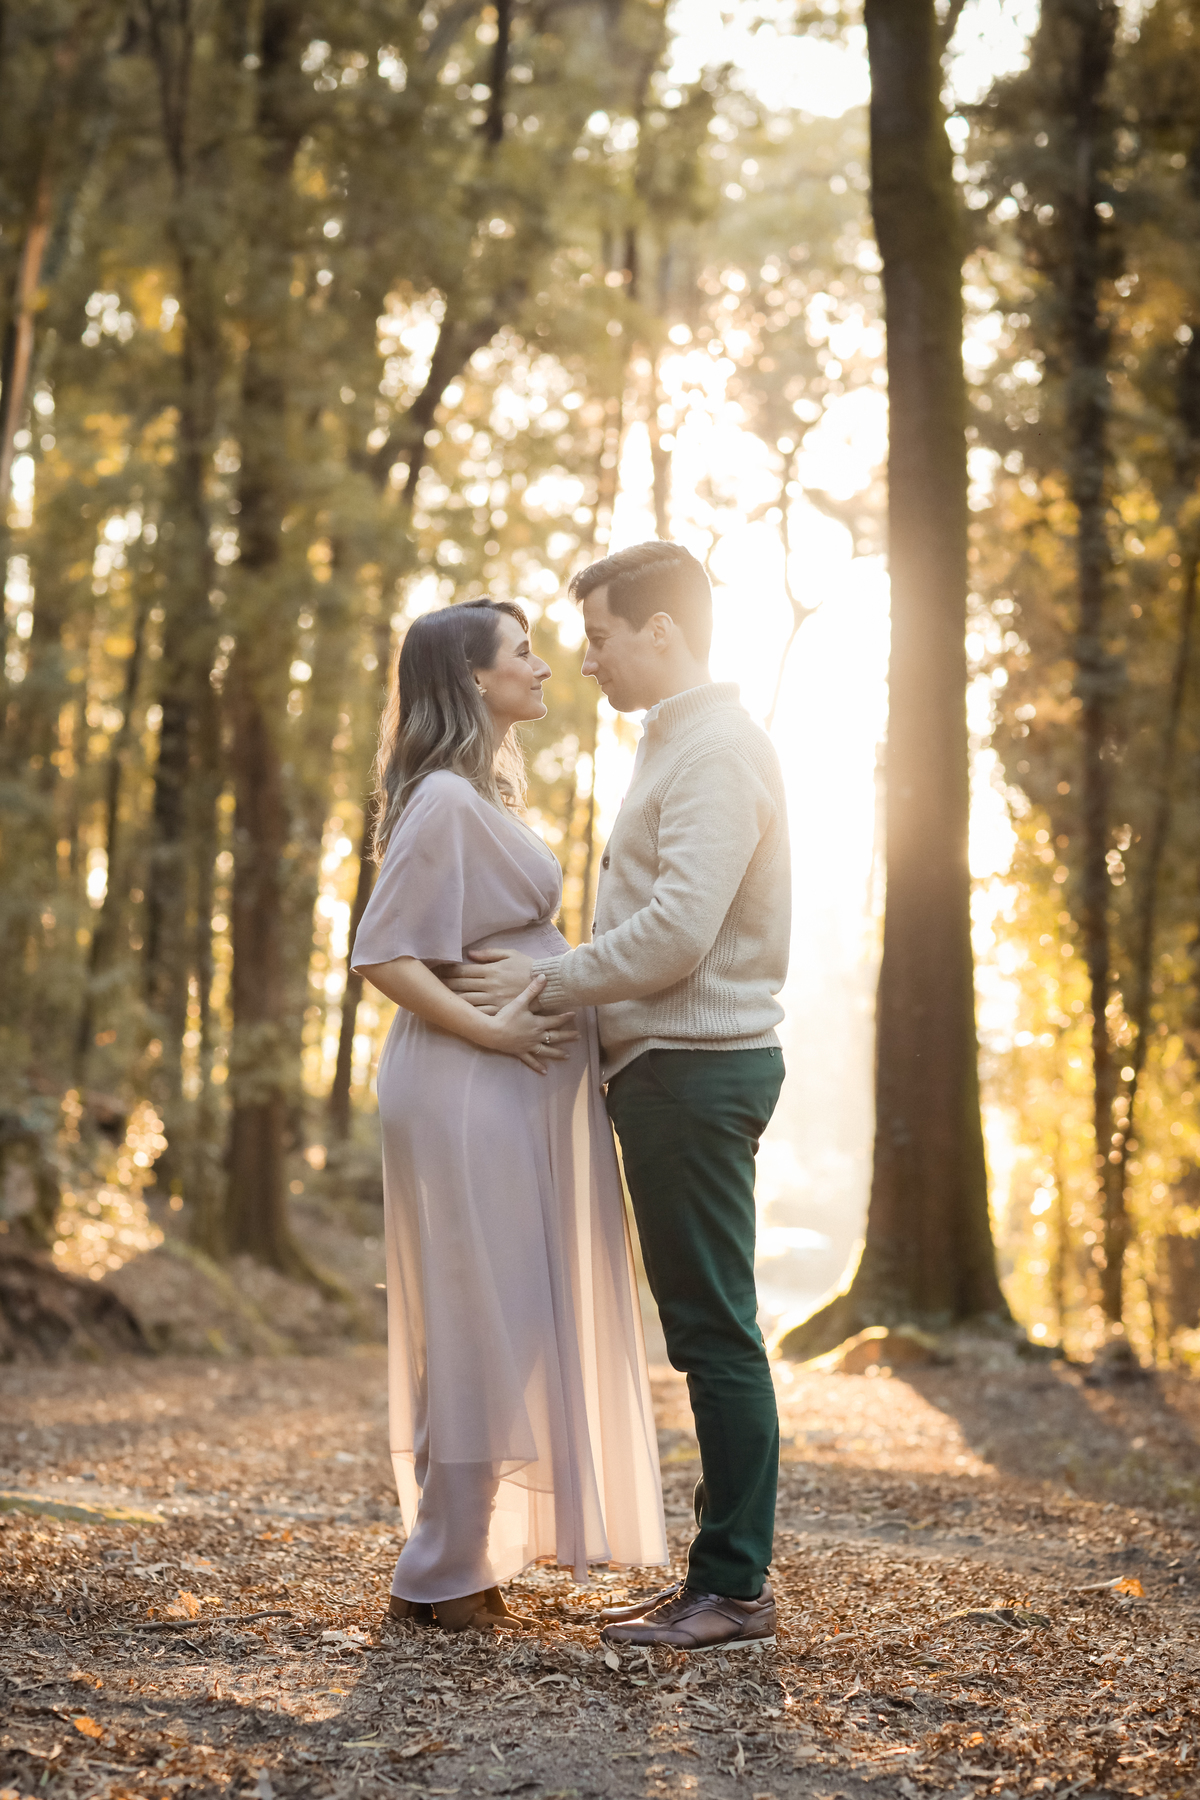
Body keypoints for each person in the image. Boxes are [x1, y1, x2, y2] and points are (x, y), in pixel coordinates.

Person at [445, 541, 791, 1652]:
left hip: (696, 1069)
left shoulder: (717, 750)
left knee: (714, 1332)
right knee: (701, 1327)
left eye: (599, 636)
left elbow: (680, 932)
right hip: (670, 1069)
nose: (585, 660)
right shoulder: (677, 744)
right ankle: (716, 1579)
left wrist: (545, 983)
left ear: (662, 630)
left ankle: (734, 1589)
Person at [351, 598, 667, 1635]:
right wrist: (492, 1033)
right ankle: (441, 1572)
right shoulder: (444, 800)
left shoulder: (471, 794)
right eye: (522, 652)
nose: (543, 666)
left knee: (508, 1320)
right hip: (467, 1086)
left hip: (501, 1089)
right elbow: (384, 953)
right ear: (474, 678)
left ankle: (458, 1558)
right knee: (487, 1321)